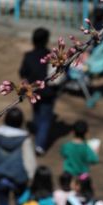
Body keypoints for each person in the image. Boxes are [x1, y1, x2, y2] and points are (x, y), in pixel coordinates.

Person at [20, 27, 59, 156]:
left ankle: (37, 138)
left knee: (37, 114)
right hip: (49, 92)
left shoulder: (29, 56)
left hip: (33, 92)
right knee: (46, 118)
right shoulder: (52, 56)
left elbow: (22, 72)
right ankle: (40, 145)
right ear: (46, 40)